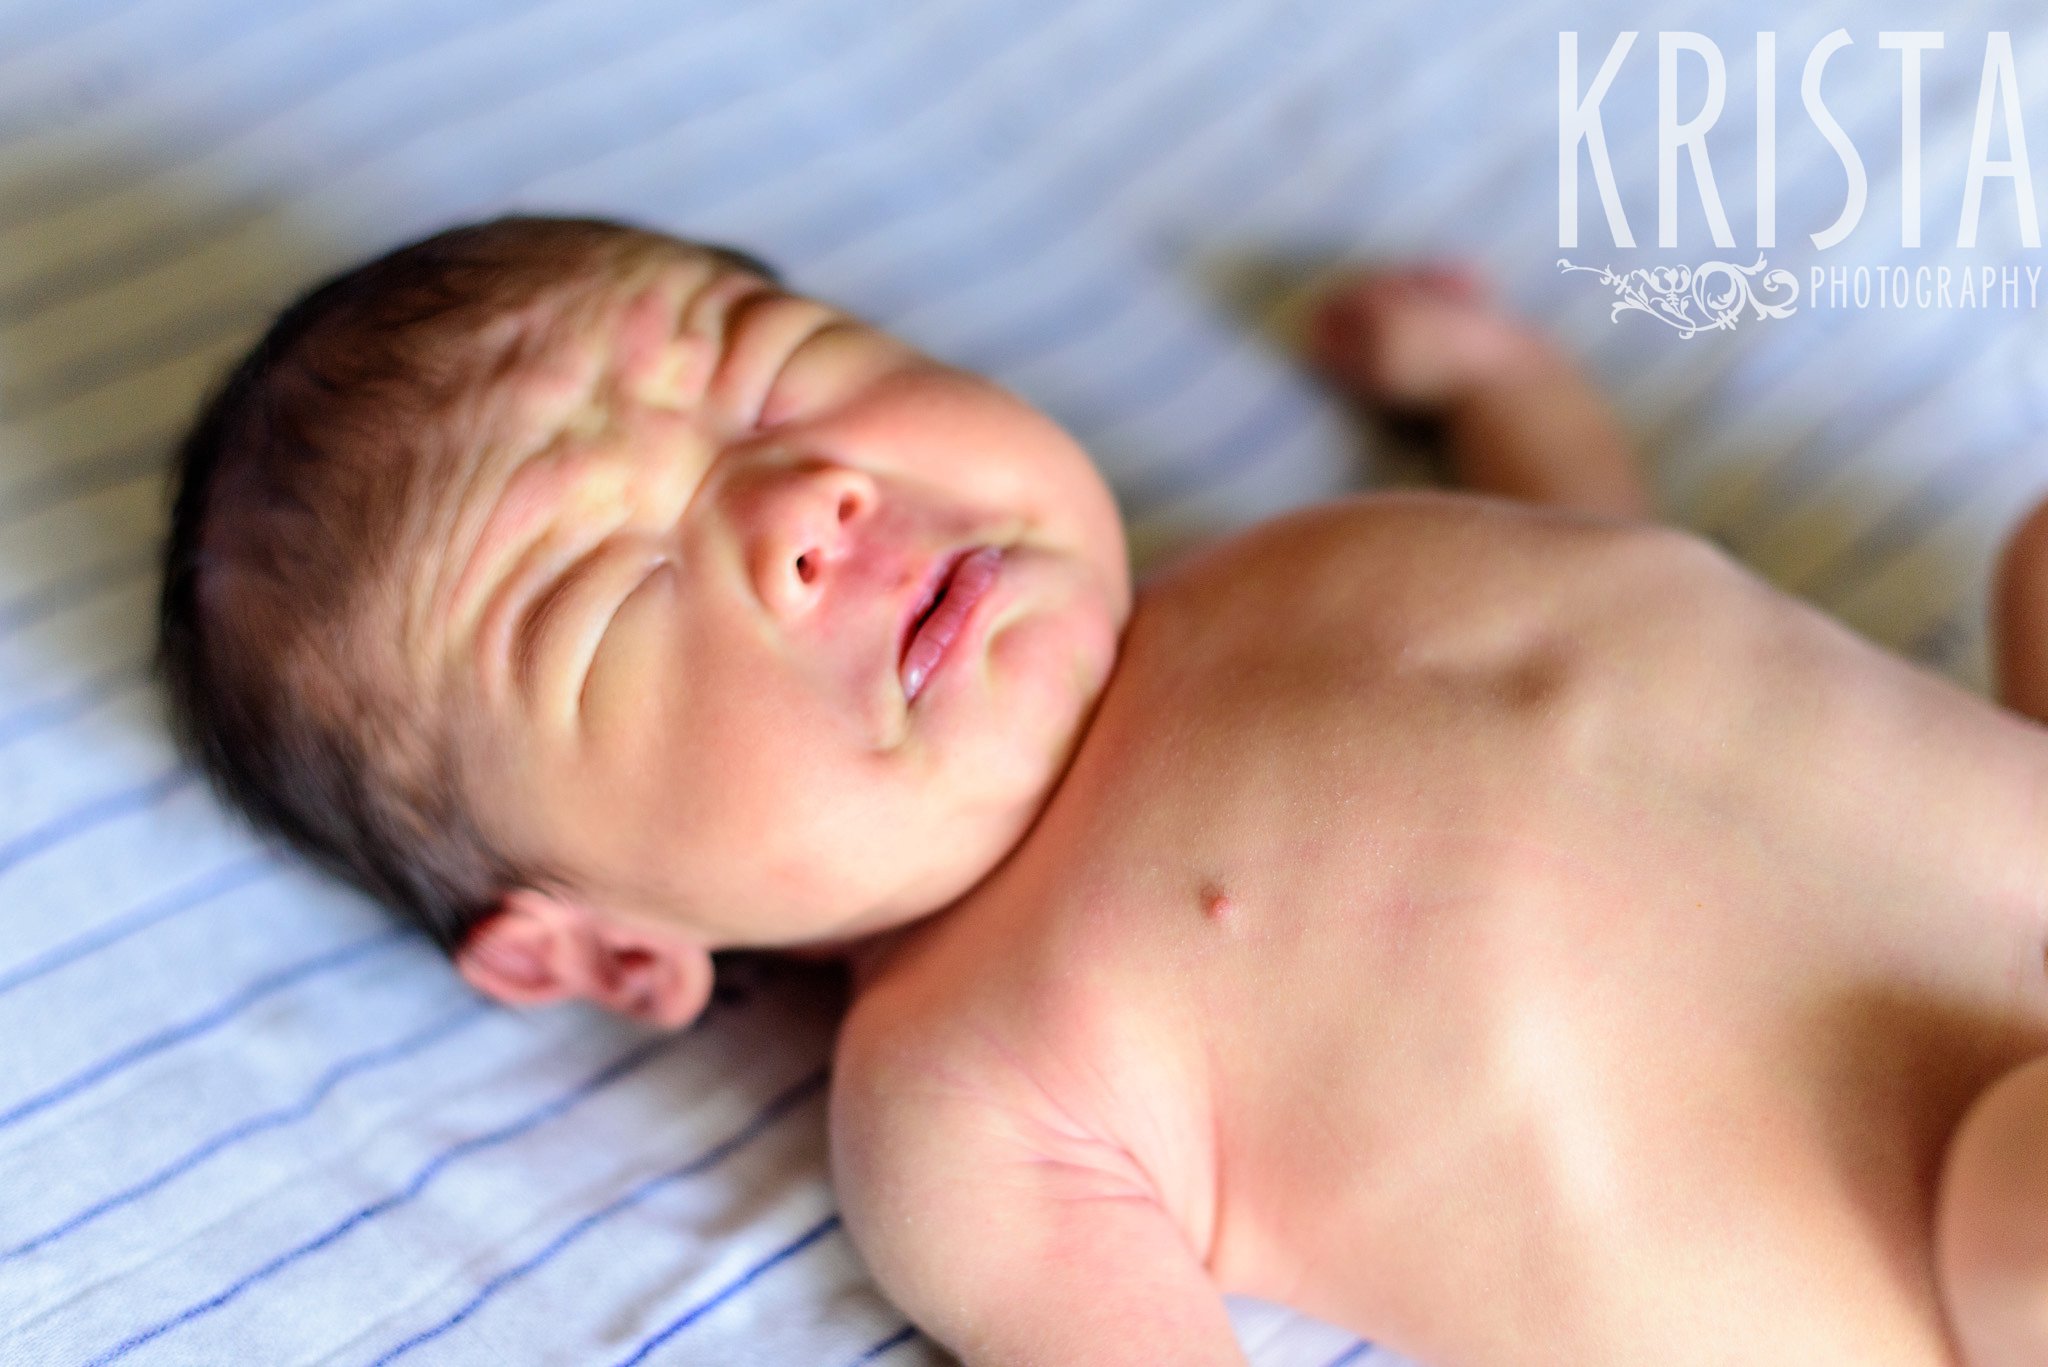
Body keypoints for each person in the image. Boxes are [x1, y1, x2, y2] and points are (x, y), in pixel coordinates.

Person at [156, 213, 2048, 1365]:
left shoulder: (1274, 565)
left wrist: (1502, 392)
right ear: (603, 948)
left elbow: (1614, 575)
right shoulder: (971, 1088)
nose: (799, 505)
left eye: (775, 380)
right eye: (621, 602)